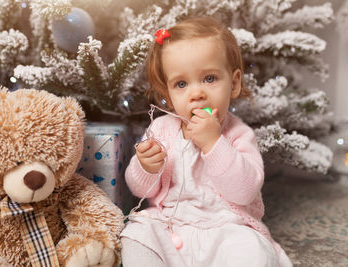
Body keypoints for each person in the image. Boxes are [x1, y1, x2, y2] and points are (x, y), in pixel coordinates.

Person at [120, 17, 293, 267]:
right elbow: (141, 191)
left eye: (209, 79)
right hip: (171, 224)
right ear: (168, 95)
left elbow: (245, 192)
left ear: (233, 84)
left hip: (226, 228)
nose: (197, 94)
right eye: (181, 84)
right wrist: (146, 167)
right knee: (136, 234)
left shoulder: (238, 134)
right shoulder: (162, 129)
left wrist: (214, 144)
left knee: (254, 251)